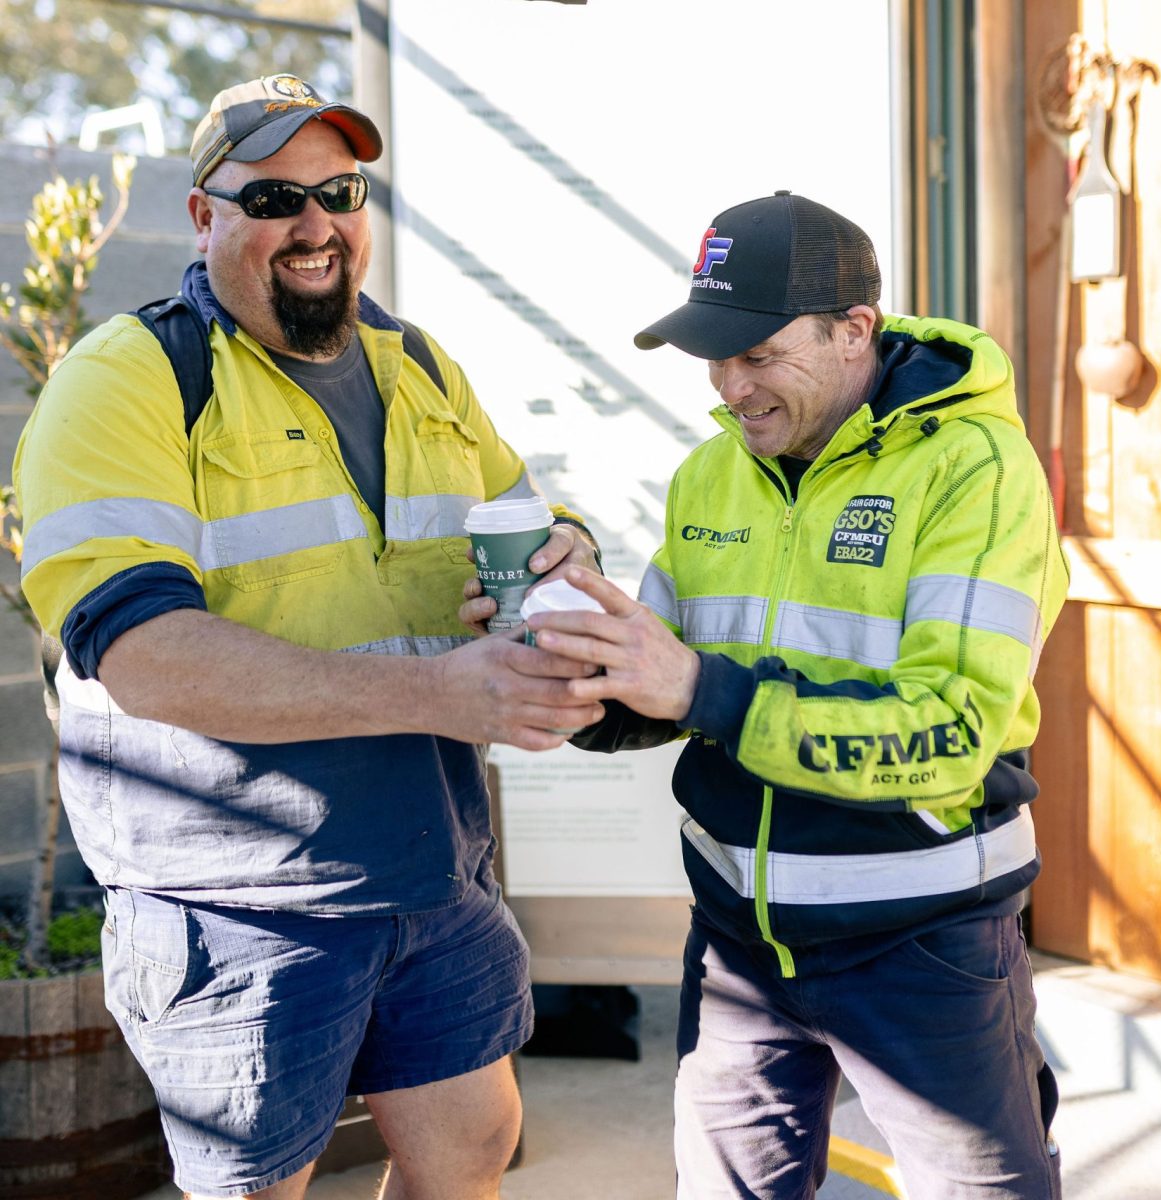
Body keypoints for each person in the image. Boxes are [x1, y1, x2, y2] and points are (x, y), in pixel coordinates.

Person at [13, 74, 604, 1200]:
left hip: (433, 868)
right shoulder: (126, 382)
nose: (316, 224)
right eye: (276, 196)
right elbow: (143, 655)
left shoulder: (419, 366)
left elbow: (528, 514)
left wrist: (563, 558)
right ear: (204, 216)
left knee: (474, 1144)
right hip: (240, 902)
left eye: (340, 190)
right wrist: (444, 696)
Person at [514, 191, 1071, 1199]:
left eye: (760, 355)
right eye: (715, 358)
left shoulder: (978, 473)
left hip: (923, 942)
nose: (731, 387)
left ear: (855, 329)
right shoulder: (708, 477)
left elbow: (949, 732)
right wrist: (567, 658)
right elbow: (672, 694)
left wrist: (698, 689)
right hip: (736, 940)